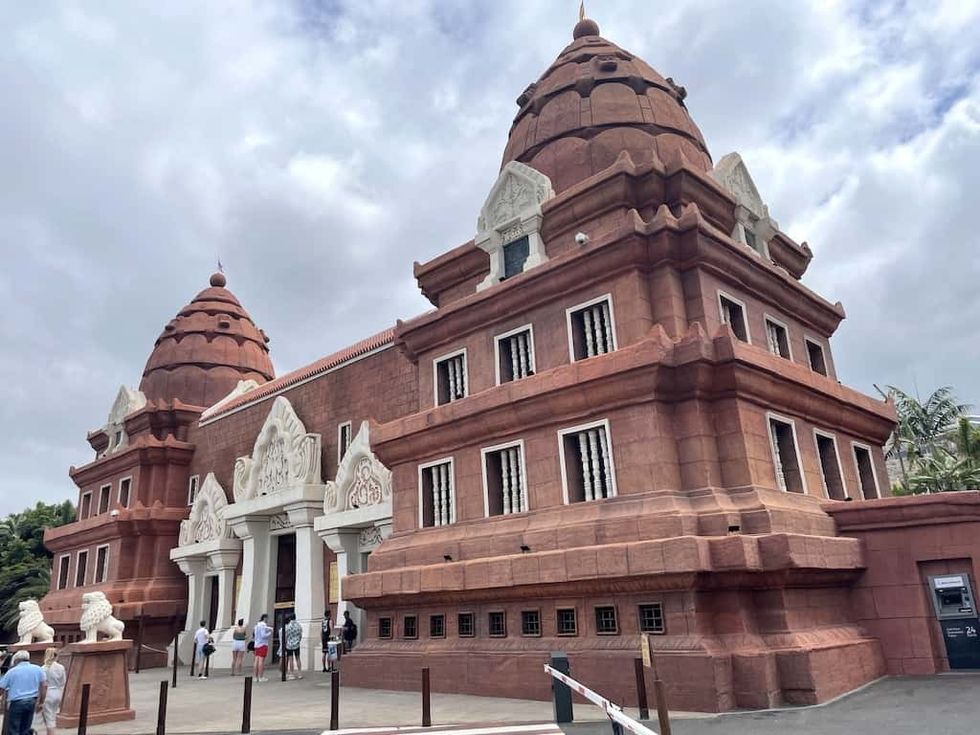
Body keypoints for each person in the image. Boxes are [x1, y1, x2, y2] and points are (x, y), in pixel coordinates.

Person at [0, 650, 47, 735]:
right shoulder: (38, 669)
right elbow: (44, 686)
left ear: (16, 660)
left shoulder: (12, 671)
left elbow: (2, 687)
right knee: (26, 728)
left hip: (16, 702)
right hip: (31, 701)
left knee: (14, 729)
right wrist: (41, 702)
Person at [40, 647, 66, 735]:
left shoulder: (43, 668)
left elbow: (42, 684)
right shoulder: (61, 667)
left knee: (48, 718)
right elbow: (63, 682)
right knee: (53, 715)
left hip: (48, 693)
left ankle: (50, 733)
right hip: (58, 692)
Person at [252, 613, 272, 682]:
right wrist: (270, 633)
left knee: (256, 661)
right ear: (265, 618)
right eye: (267, 618)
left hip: (257, 644)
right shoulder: (263, 625)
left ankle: (255, 677)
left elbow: (254, 635)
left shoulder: (256, 625)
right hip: (263, 644)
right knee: (261, 661)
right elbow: (263, 635)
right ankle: (261, 677)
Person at [284, 614, 303, 680]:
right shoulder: (298, 625)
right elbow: (300, 635)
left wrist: (286, 643)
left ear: (290, 618)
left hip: (289, 645)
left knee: (291, 659)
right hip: (297, 644)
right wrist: (298, 640)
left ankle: (292, 674)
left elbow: (286, 636)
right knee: (298, 658)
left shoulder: (288, 626)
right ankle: (300, 673)